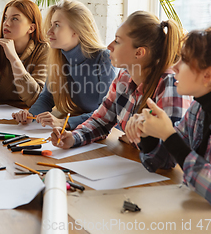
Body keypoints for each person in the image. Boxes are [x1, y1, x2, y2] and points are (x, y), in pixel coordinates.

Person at [125, 26, 211, 210]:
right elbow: (165, 160)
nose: (175, 66)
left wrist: (169, 135)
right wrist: (148, 133)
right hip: (206, 208)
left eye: (183, 60)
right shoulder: (200, 104)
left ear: (208, 75)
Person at [51, 11, 192, 169]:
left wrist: (137, 140)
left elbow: (169, 156)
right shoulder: (124, 77)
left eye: (117, 41)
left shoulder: (171, 86)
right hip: (132, 165)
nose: (109, 46)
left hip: (160, 179)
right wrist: (73, 137)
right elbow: (101, 120)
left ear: (139, 52)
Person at [13, 0, 116, 129]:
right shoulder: (59, 58)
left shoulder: (104, 58)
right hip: (83, 129)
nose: (49, 31)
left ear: (77, 30)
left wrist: (64, 123)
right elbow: (46, 97)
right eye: (51, 25)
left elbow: (106, 113)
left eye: (56, 25)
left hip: (108, 132)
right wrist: (30, 116)